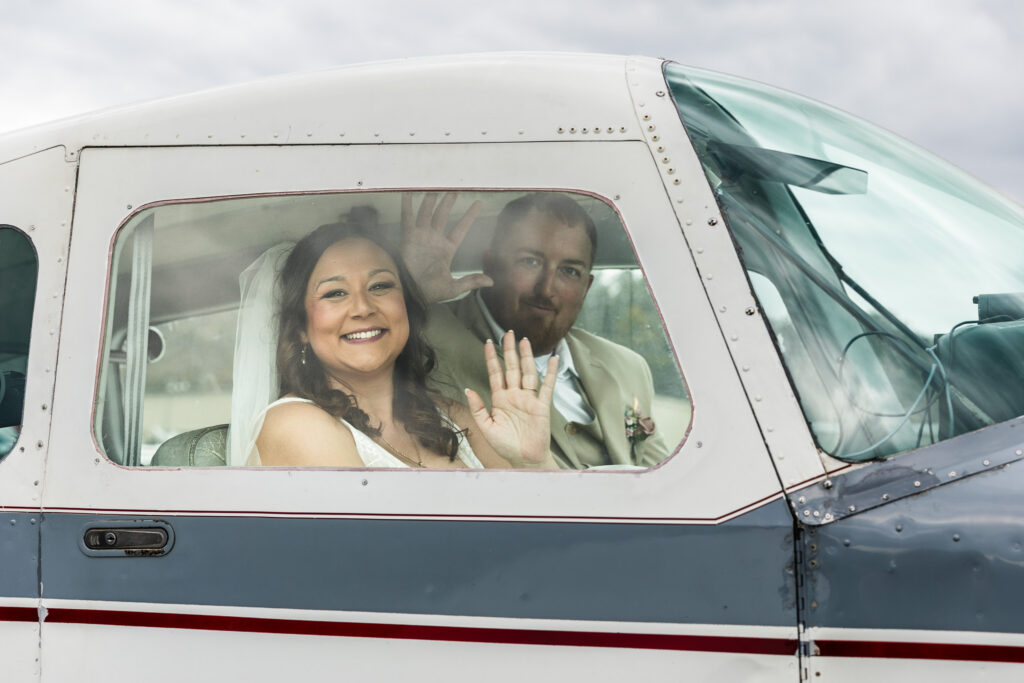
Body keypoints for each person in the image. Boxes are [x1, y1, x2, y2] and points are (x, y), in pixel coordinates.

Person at [230, 214, 559, 470]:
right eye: (335, 293)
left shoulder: (453, 416)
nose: (363, 308)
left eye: (380, 286)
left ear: (406, 308)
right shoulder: (296, 424)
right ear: (300, 327)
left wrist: (534, 463)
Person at [402, 192, 670, 470]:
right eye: (530, 261)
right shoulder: (424, 336)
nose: (546, 289)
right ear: (490, 264)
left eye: (569, 271)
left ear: (587, 287)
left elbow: (666, 479)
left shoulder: (628, 366)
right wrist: (410, 293)